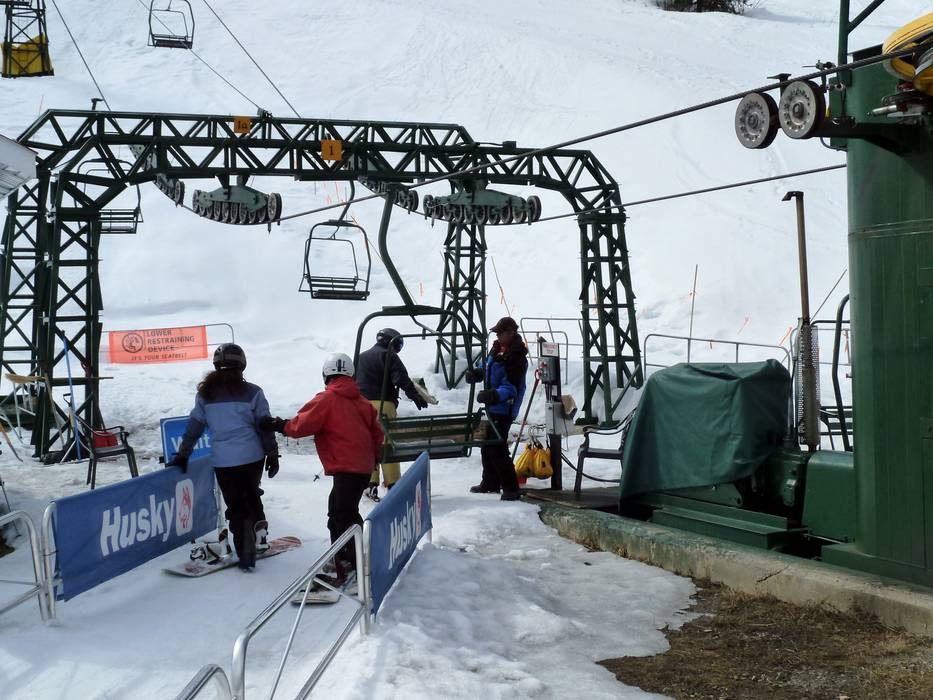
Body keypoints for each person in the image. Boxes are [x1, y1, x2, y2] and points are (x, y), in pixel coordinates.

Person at [262, 353, 383, 581]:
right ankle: (345, 557)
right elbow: (377, 434)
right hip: (362, 467)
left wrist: (279, 425)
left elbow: (302, 425)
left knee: (342, 515)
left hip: (347, 467)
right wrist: (375, 457)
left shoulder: (327, 399)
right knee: (339, 511)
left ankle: (352, 562)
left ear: (326, 375)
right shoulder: (362, 402)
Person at [167, 343, 280, 571]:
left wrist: (184, 454)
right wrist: (272, 453)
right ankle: (260, 535)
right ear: (242, 364)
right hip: (252, 456)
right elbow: (264, 425)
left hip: (224, 461)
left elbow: (194, 427)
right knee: (252, 494)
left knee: (236, 505)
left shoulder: (205, 395)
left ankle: (245, 554)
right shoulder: (254, 392)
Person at [355, 328, 428, 500]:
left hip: (361, 405)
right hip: (383, 404)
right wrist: (415, 396)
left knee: (369, 444)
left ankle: (370, 484)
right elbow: (400, 378)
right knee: (387, 444)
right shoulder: (389, 356)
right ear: (392, 342)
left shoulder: (361, 357)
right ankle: (393, 484)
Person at [466, 317, 529, 501]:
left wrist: (493, 395)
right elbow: (487, 365)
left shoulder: (516, 356)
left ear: (510, 332)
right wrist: (478, 373)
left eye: (500, 333)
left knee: (497, 448)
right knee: (488, 446)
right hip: (494, 406)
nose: (498, 336)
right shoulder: (497, 349)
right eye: (497, 333)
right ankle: (490, 482)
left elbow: (511, 388)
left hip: (505, 407)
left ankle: (511, 487)